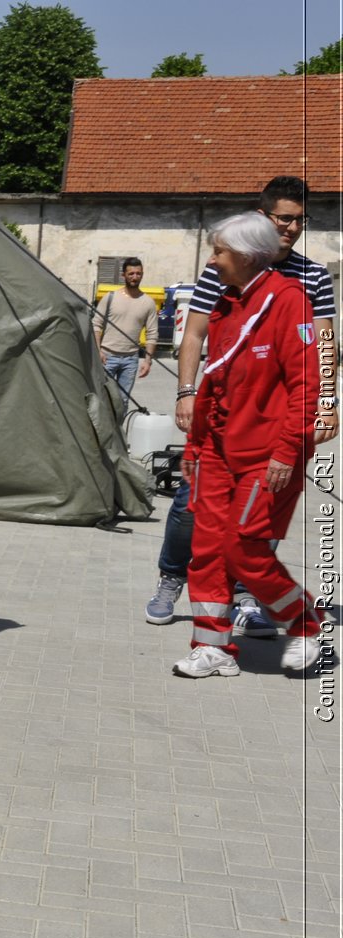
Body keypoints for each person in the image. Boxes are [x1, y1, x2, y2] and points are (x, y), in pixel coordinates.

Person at [145, 176, 336, 633]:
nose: (291, 227)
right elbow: (194, 333)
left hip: (272, 417)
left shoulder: (311, 276)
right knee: (191, 502)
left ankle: (247, 594)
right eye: (283, 218)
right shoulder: (225, 263)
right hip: (223, 408)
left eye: (299, 220)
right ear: (263, 216)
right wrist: (187, 392)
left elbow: (323, 343)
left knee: (260, 510)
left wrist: (326, 404)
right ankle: (171, 577)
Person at [172, 212, 323, 678]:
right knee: (209, 549)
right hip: (217, 451)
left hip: (268, 456)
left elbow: (307, 385)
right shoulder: (225, 305)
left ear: (245, 255)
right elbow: (214, 384)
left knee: (245, 550)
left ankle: (305, 622)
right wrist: (195, 450)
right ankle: (211, 646)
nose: (212, 260)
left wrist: (286, 450)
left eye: (219, 251)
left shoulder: (290, 301)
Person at [91, 256, 157, 406]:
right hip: (106, 357)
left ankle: (118, 429)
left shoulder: (148, 303)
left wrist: (148, 361)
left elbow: (152, 333)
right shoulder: (110, 298)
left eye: (138, 273)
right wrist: (98, 351)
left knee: (122, 401)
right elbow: (96, 325)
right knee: (101, 398)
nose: (135, 277)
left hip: (130, 360)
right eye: (131, 273)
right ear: (123, 275)